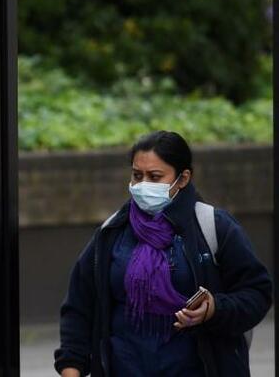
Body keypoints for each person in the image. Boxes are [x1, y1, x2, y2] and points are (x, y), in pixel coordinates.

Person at [54, 130, 272, 376]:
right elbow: (79, 305)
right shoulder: (112, 231)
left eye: (155, 177)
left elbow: (257, 292)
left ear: (183, 178)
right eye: (137, 176)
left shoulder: (213, 226)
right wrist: (71, 366)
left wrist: (215, 309)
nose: (143, 185)